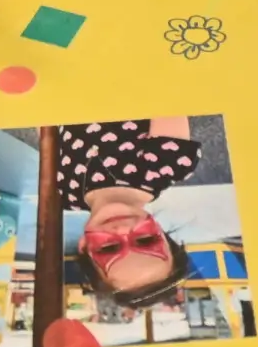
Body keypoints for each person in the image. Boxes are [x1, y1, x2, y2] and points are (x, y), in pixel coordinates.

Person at [55, 118, 205, 309]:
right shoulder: (166, 164)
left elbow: (44, 126)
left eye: (109, 247)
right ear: (160, 230)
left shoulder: (64, 194)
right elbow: (168, 92)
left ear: (84, 246)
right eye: (145, 240)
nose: (123, 229)